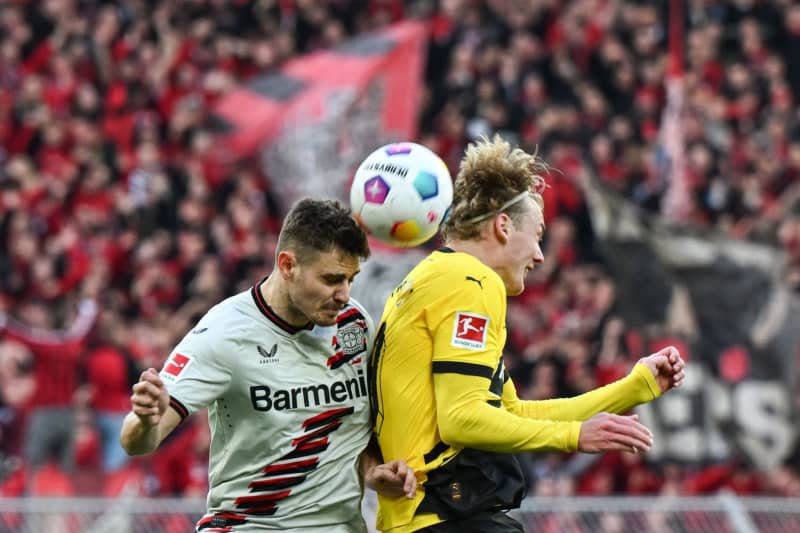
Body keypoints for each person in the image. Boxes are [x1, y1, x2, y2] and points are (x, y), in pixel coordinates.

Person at [368, 136, 687, 533]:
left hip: (428, 519)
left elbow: (508, 413)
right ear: (503, 226)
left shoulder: (430, 278)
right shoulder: (471, 280)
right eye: (537, 235)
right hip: (443, 518)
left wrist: (633, 388)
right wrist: (572, 436)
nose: (539, 255)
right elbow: (462, 420)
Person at [120, 198, 416, 533]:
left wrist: (373, 470)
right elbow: (136, 442)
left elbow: (351, 429)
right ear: (288, 265)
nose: (344, 294)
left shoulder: (355, 325)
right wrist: (146, 419)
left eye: (350, 279)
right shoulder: (224, 333)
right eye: (332, 279)